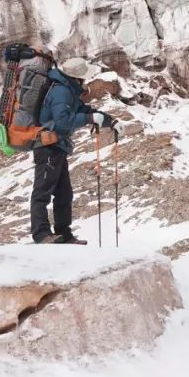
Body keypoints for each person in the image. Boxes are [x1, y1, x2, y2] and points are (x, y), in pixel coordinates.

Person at [31, 57, 118, 244]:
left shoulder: (68, 90)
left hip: (57, 147)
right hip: (47, 147)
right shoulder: (62, 91)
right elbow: (63, 121)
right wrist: (89, 119)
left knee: (64, 193)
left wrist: (109, 120)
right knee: (43, 190)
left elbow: (85, 110)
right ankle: (41, 235)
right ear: (77, 78)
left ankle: (64, 234)